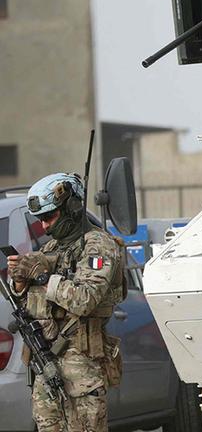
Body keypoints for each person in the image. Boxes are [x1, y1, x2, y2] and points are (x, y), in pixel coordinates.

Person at [5, 173, 125, 432]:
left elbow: (85, 300)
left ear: (71, 208)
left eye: (49, 217)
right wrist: (20, 282)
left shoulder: (98, 246)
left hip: (81, 369)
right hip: (46, 366)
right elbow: (28, 305)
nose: (45, 227)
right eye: (41, 220)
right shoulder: (50, 250)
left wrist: (42, 276)